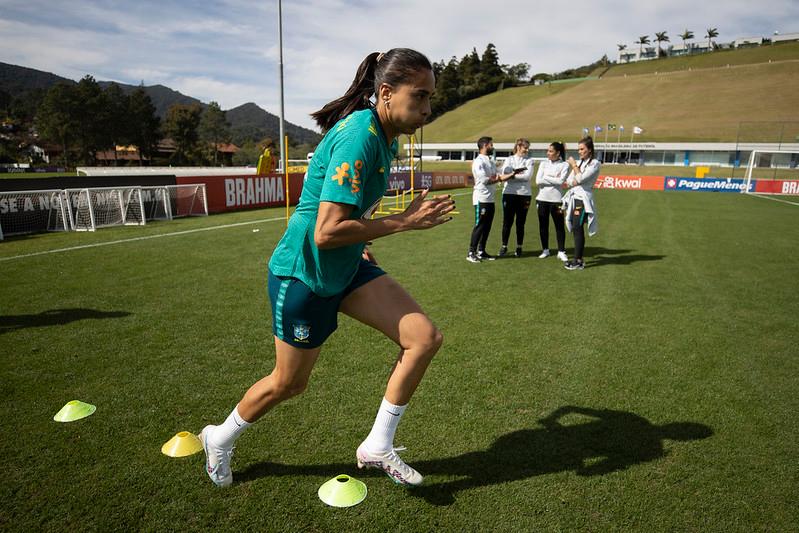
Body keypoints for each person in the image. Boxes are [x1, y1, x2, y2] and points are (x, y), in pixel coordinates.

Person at [199, 48, 455, 488]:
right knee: (289, 384)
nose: (427, 109)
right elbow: (325, 231)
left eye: (431, 97)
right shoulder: (360, 137)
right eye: (421, 97)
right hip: (305, 275)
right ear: (387, 92)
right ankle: (219, 437)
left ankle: (377, 446)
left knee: (423, 339)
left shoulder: (385, 135)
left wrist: (368, 242)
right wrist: (405, 222)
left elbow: (352, 213)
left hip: (348, 265)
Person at [467, 137, 514, 263]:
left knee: (487, 226)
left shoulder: (490, 161)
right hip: (481, 198)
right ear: (485, 145)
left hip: (490, 199)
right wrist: (500, 179)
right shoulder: (478, 162)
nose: (493, 147)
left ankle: (482, 251)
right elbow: (485, 180)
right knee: (480, 225)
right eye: (491, 145)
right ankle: (471, 252)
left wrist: (511, 174)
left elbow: (498, 175)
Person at [562, 136, 601, 270]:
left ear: (589, 150)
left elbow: (581, 178)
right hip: (575, 197)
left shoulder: (594, 163)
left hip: (584, 198)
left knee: (578, 227)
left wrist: (573, 166)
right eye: (578, 149)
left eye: (582, 149)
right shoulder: (581, 163)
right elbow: (571, 180)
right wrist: (574, 178)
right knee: (574, 226)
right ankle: (579, 259)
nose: (579, 151)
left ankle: (578, 260)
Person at [498, 138, 534, 258]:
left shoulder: (530, 160)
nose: (527, 150)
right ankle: (504, 246)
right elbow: (505, 173)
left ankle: (519, 247)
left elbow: (527, 177)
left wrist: (513, 174)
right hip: (509, 193)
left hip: (524, 195)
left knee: (520, 223)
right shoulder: (509, 159)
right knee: (507, 222)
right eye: (525, 147)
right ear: (518, 147)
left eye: (528, 148)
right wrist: (513, 174)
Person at [534, 141, 569, 261]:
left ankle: (561, 251)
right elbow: (538, 181)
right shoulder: (543, 164)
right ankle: (545, 250)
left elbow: (560, 182)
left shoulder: (564, 165)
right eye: (547, 151)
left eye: (550, 151)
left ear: (558, 153)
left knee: (559, 226)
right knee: (543, 226)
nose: (547, 153)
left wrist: (546, 177)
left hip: (557, 200)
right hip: (541, 199)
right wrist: (554, 178)